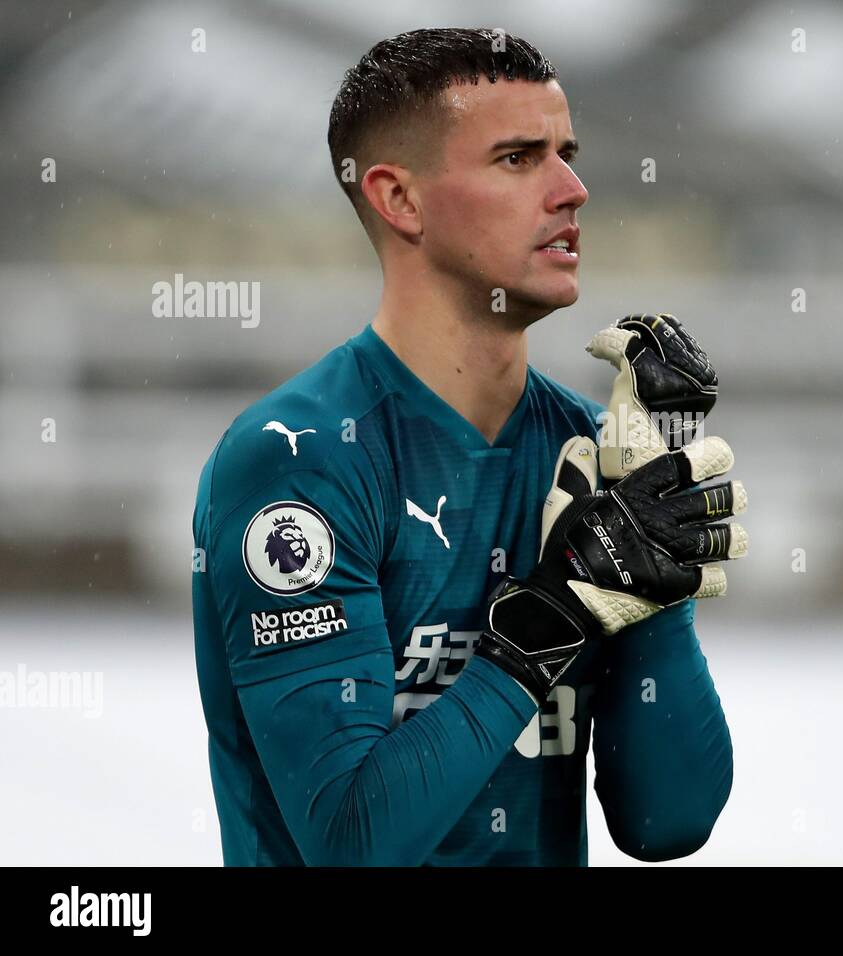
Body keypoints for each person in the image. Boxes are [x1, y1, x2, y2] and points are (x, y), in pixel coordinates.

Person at [191, 27, 747, 866]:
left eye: (567, 152)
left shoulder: (584, 451)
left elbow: (667, 823)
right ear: (399, 200)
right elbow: (352, 842)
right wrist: (554, 615)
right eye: (519, 159)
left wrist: (655, 588)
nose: (573, 189)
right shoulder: (299, 459)